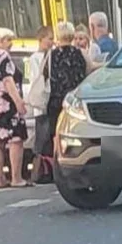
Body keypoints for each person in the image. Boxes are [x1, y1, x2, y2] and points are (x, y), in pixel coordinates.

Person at [0, 27, 29, 188]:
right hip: (7, 104)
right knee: (16, 139)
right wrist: (18, 102)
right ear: (0, 41)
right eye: (8, 40)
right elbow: (8, 81)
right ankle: (16, 178)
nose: (11, 44)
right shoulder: (4, 57)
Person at [45, 22, 87, 168]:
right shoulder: (78, 53)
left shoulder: (51, 55)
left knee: (57, 133)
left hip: (55, 99)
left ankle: (57, 163)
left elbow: (45, 76)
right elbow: (88, 69)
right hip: (73, 99)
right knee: (73, 131)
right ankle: (72, 160)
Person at [27, 26, 54, 184]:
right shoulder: (35, 58)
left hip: (49, 103)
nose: (51, 42)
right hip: (41, 104)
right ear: (41, 39)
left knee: (48, 138)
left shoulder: (50, 55)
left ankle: (48, 170)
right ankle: (41, 170)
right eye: (49, 38)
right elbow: (37, 80)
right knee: (42, 139)